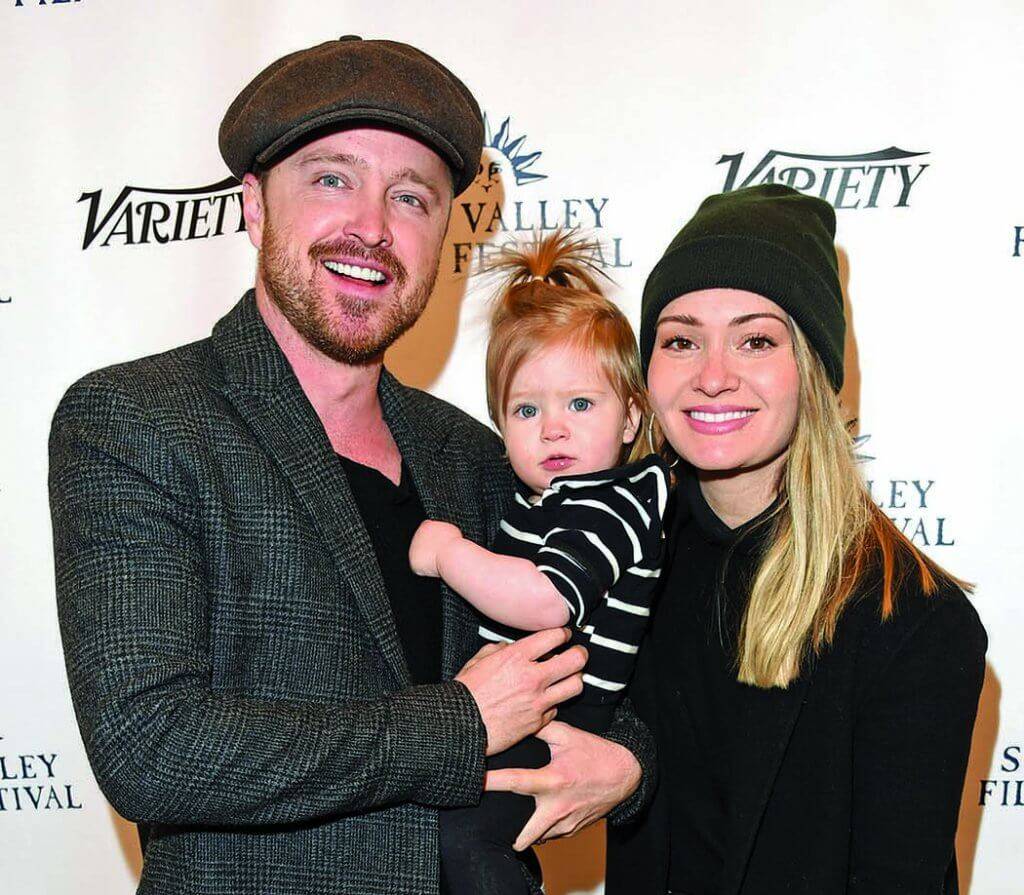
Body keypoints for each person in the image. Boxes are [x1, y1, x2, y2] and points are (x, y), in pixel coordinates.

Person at [47, 37, 652, 895]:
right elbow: (150, 745)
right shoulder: (139, 420)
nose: (371, 227)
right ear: (255, 205)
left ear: (447, 234)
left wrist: (628, 764)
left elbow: (595, 667)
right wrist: (457, 723)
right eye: (333, 179)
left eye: (411, 197)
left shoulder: (476, 453)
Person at [605, 184, 987, 895]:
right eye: (681, 339)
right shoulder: (621, 562)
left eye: (755, 339)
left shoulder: (910, 623)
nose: (713, 377)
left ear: (811, 370)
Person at [408, 232, 670, 893]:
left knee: (464, 840)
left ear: (632, 415)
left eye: (580, 404)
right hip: (522, 713)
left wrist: (448, 553)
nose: (553, 427)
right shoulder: (551, 498)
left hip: (558, 722)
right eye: (526, 409)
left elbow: (547, 599)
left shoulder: (613, 499)